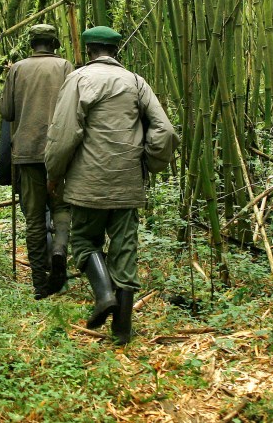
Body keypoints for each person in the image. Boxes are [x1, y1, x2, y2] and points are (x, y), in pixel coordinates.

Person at [44, 26, 178, 344]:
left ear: (88, 50)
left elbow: (64, 134)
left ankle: (104, 295)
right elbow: (165, 131)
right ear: (115, 51)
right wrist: (148, 164)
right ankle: (122, 332)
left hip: (87, 183)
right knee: (125, 252)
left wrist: (54, 172)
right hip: (128, 183)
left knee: (85, 243)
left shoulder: (78, 79)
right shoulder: (135, 81)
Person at [0, 24, 74, 299]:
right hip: (61, 150)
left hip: (27, 152)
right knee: (62, 207)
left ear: (32, 44)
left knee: (33, 220)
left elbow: (6, 111)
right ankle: (59, 250)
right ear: (54, 42)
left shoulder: (17, 69)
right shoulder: (66, 67)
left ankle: (40, 284)